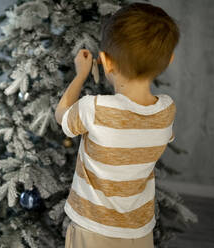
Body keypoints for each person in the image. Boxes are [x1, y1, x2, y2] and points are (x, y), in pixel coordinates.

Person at [55, 3, 179, 248]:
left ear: (106, 62)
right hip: (139, 231)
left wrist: (80, 75)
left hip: (92, 229)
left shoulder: (95, 108)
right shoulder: (166, 109)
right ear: (169, 60)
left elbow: (62, 115)